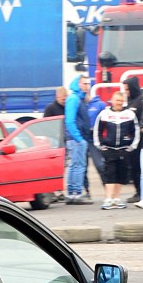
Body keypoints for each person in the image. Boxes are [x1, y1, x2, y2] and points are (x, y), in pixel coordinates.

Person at [93, 89, 138, 209]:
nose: (119, 103)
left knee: (121, 174)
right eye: (117, 100)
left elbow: (136, 131)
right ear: (112, 101)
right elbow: (97, 130)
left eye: (121, 101)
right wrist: (101, 146)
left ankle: (117, 198)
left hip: (124, 149)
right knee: (110, 173)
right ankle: (108, 198)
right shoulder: (104, 114)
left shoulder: (130, 114)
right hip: (109, 148)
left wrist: (131, 146)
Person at [63, 74, 92, 204]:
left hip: (75, 137)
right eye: (85, 84)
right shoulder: (74, 99)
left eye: (88, 84)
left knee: (75, 165)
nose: (87, 86)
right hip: (76, 138)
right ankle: (77, 193)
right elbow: (70, 121)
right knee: (78, 166)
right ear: (78, 84)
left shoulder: (76, 98)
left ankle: (72, 193)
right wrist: (79, 139)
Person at [121, 76, 143, 203]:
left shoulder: (141, 100)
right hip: (131, 140)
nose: (126, 91)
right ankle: (137, 192)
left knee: (140, 167)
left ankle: (141, 193)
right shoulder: (130, 100)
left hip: (140, 140)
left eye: (127, 89)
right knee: (134, 167)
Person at [84, 87, 108, 200]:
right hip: (85, 139)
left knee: (100, 165)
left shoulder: (100, 104)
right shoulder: (82, 105)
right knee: (83, 167)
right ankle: (86, 191)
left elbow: (106, 121)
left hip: (95, 140)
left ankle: (107, 188)